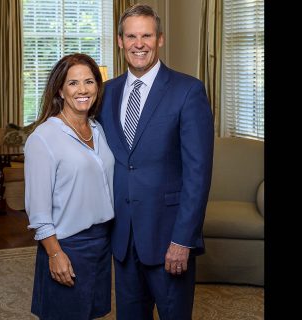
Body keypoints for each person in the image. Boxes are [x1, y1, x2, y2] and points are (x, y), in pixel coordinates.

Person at [96, 4, 214, 319]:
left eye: (146, 35)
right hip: (123, 240)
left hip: (168, 239)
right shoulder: (106, 93)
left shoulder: (188, 91)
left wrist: (182, 240)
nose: (139, 43)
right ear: (120, 41)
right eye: (131, 36)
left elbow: (197, 175)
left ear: (159, 39)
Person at [24, 53, 115, 319]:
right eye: (73, 83)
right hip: (67, 244)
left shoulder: (97, 129)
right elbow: (38, 210)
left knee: (90, 313)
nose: (83, 90)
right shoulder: (43, 138)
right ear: (60, 90)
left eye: (89, 81)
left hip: (101, 241)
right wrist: (55, 254)